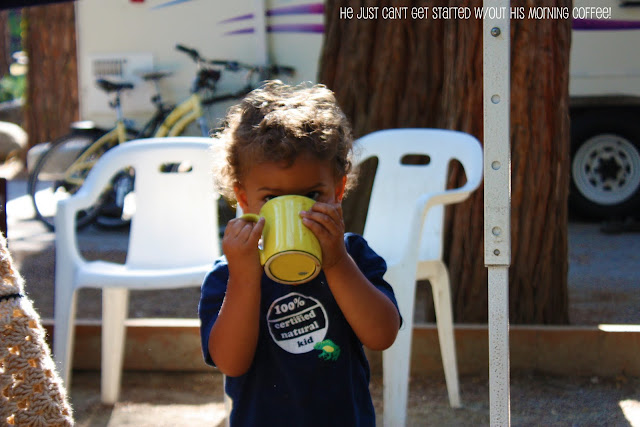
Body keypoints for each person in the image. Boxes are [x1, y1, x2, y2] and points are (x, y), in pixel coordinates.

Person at [198, 80, 401, 426]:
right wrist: (245, 278)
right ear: (243, 198)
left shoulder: (352, 255)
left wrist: (336, 262)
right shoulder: (229, 273)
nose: (295, 210)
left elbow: (382, 335)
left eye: (311, 195)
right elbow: (230, 363)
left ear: (338, 189)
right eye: (272, 199)